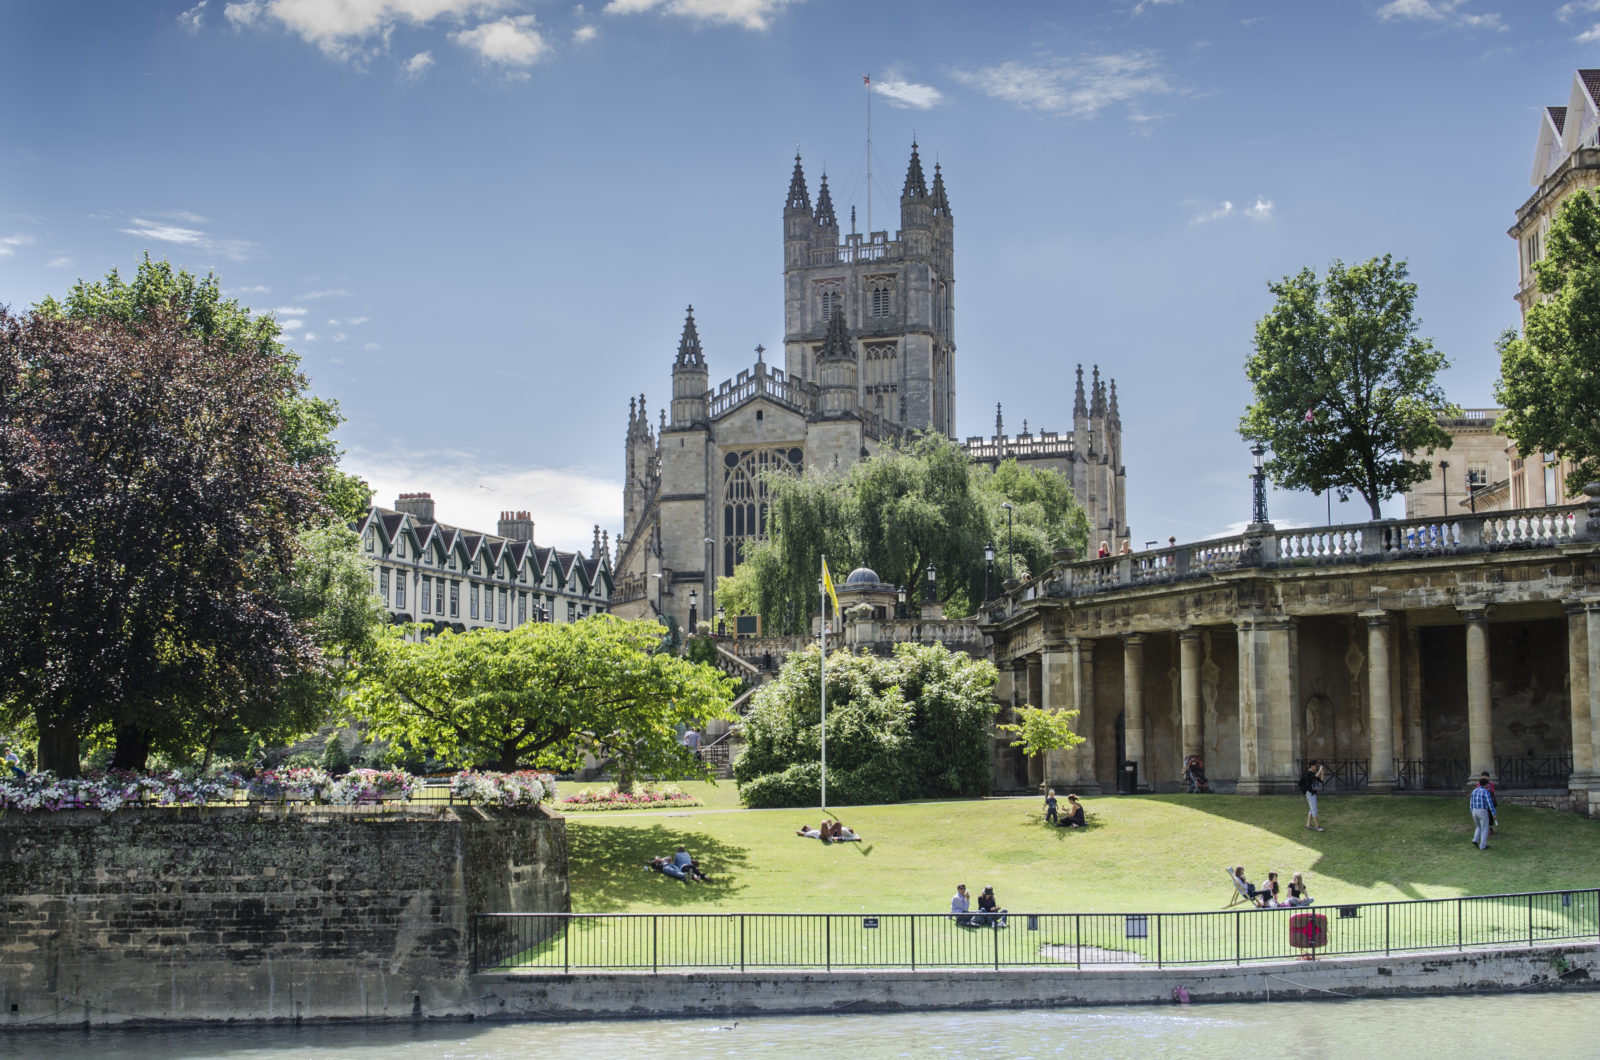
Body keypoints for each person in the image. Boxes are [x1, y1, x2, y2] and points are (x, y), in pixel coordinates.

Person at [1301, 760, 1327, 831]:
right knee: (1314, 809)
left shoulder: (1313, 772)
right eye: (1316, 766)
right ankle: (1317, 826)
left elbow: (1321, 781)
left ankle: (1308, 824)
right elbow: (1314, 777)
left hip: (1313, 793)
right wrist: (1319, 770)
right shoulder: (1308, 773)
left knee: (1312, 809)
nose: (1316, 767)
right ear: (1312, 766)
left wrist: (1322, 773)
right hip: (1310, 793)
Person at [1470, 776, 1494, 850]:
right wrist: (1494, 813)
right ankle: (1483, 846)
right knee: (1484, 828)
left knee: (1478, 826)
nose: (1488, 785)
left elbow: (1471, 802)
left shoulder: (1474, 791)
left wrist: (1471, 811)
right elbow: (1490, 803)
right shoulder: (1485, 792)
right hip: (1482, 810)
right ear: (1485, 784)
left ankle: (1475, 839)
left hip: (1474, 810)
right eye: (1488, 784)